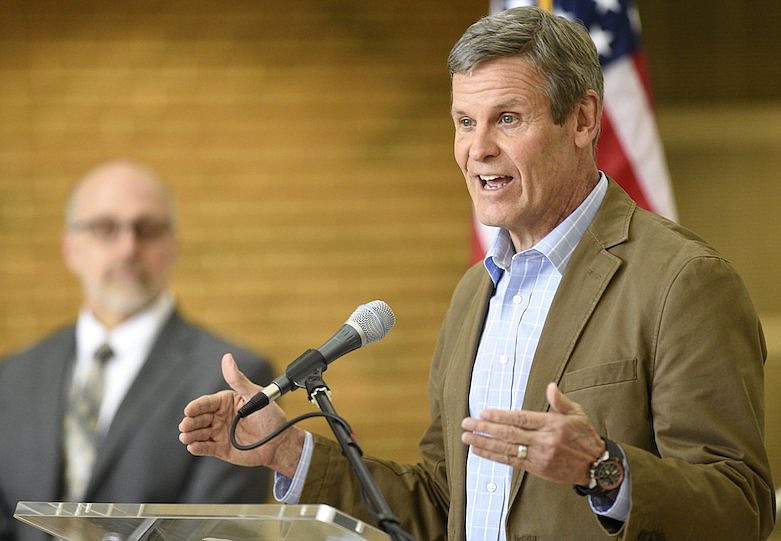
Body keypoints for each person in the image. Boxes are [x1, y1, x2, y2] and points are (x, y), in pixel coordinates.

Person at [178, 7, 775, 540]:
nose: (477, 149)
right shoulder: (476, 290)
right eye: (465, 122)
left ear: (584, 121)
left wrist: (604, 468)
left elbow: (743, 509)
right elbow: (443, 504)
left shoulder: (685, 281)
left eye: (507, 119)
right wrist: (290, 452)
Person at [0, 160, 274, 541]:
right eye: (105, 229)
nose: (129, 248)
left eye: (147, 229)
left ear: (175, 247)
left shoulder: (234, 377)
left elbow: (219, 532)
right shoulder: (11, 377)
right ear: (71, 249)